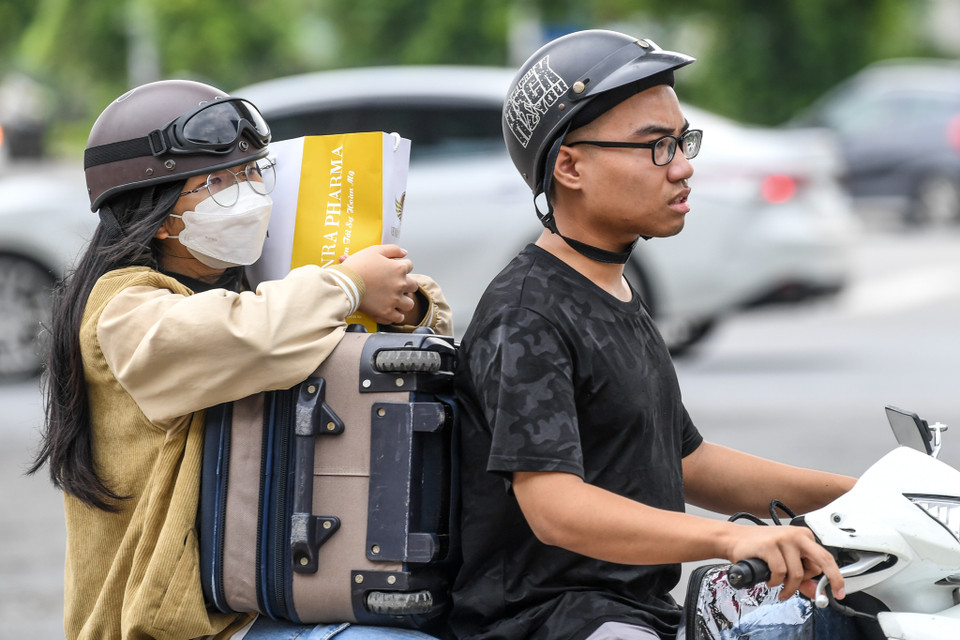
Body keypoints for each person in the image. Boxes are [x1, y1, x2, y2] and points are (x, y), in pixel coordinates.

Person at [449, 29, 857, 640]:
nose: (684, 167)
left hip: (636, 612)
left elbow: (686, 460)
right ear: (570, 164)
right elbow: (554, 506)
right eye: (656, 147)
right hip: (549, 622)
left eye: (682, 141)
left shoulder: (611, 291)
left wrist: (864, 498)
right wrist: (730, 537)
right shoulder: (527, 312)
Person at [29, 79, 451, 640]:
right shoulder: (122, 308)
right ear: (156, 215)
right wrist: (347, 287)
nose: (248, 192)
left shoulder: (255, 279)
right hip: (179, 625)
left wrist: (408, 306)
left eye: (254, 171)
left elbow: (413, 330)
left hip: (266, 592)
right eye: (218, 182)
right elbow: (251, 336)